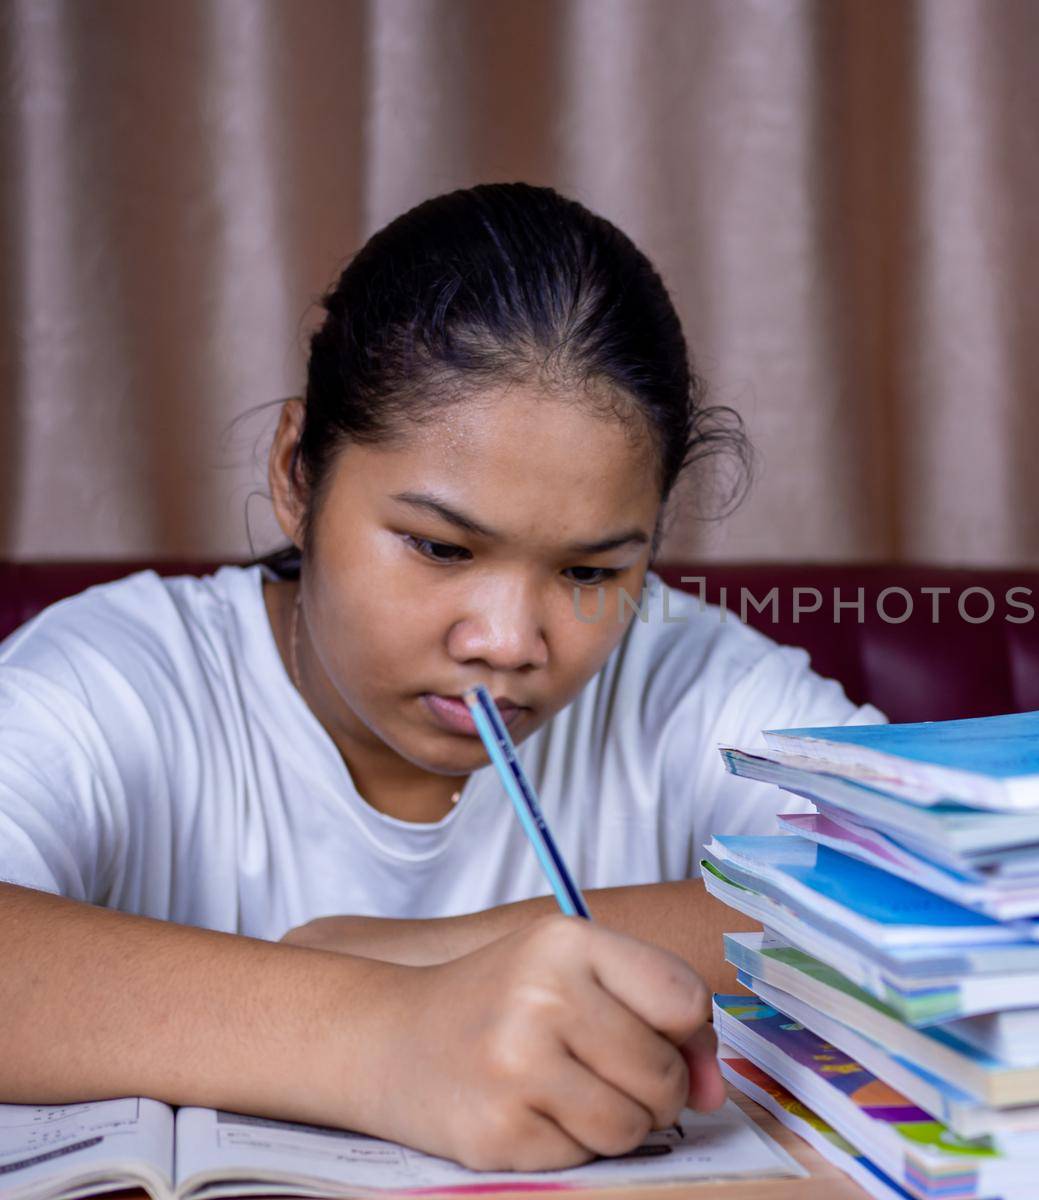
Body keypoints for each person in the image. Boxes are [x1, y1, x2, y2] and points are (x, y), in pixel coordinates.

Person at [0, 183, 884, 1171]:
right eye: (438, 548)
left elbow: (932, 896)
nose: (509, 642)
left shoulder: (688, 676)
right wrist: (385, 1031)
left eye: (591, 572)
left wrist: (443, 948)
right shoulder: (119, 678)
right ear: (297, 470)